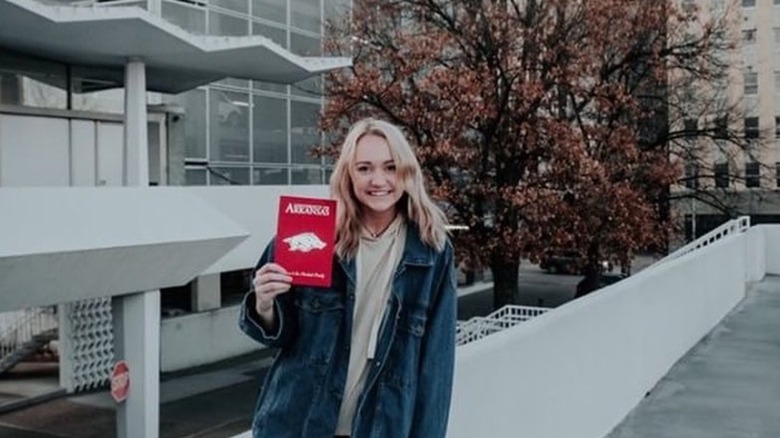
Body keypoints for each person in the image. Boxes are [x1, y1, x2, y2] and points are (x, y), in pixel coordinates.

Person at [239, 118, 457, 438]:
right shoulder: (312, 232)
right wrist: (265, 304)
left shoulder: (432, 252)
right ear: (348, 174)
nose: (378, 180)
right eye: (364, 168)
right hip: (297, 424)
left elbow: (436, 366)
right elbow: (278, 337)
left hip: (381, 428)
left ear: (407, 171)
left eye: (390, 167)